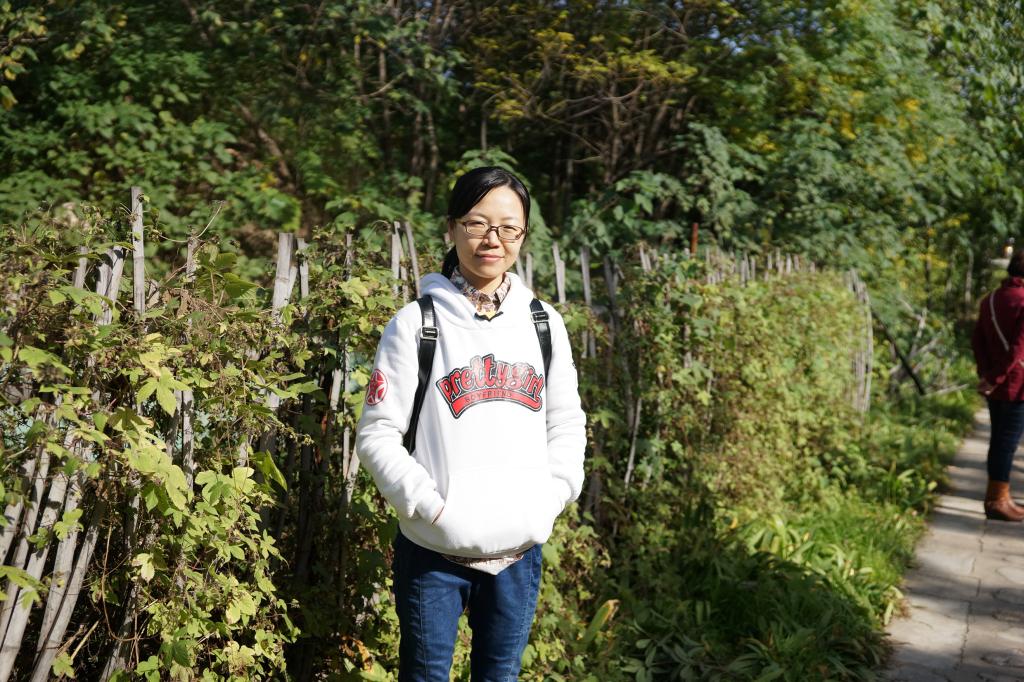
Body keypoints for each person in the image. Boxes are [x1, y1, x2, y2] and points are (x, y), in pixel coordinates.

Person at [355, 166, 587, 680]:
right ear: (452, 227)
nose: (492, 239)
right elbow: (376, 434)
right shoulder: (417, 324)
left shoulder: (543, 324)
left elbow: (567, 422)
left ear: (523, 234)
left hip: (519, 553)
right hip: (434, 553)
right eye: (477, 223)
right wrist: (429, 506)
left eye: (508, 227)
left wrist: (552, 496)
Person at [971, 248, 1024, 522]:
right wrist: (996, 377)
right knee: (1006, 444)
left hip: (995, 383)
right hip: (1017, 384)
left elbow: (977, 339)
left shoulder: (990, 299)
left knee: (998, 441)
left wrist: (986, 375)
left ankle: (1000, 497)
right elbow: (1018, 349)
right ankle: (997, 501)